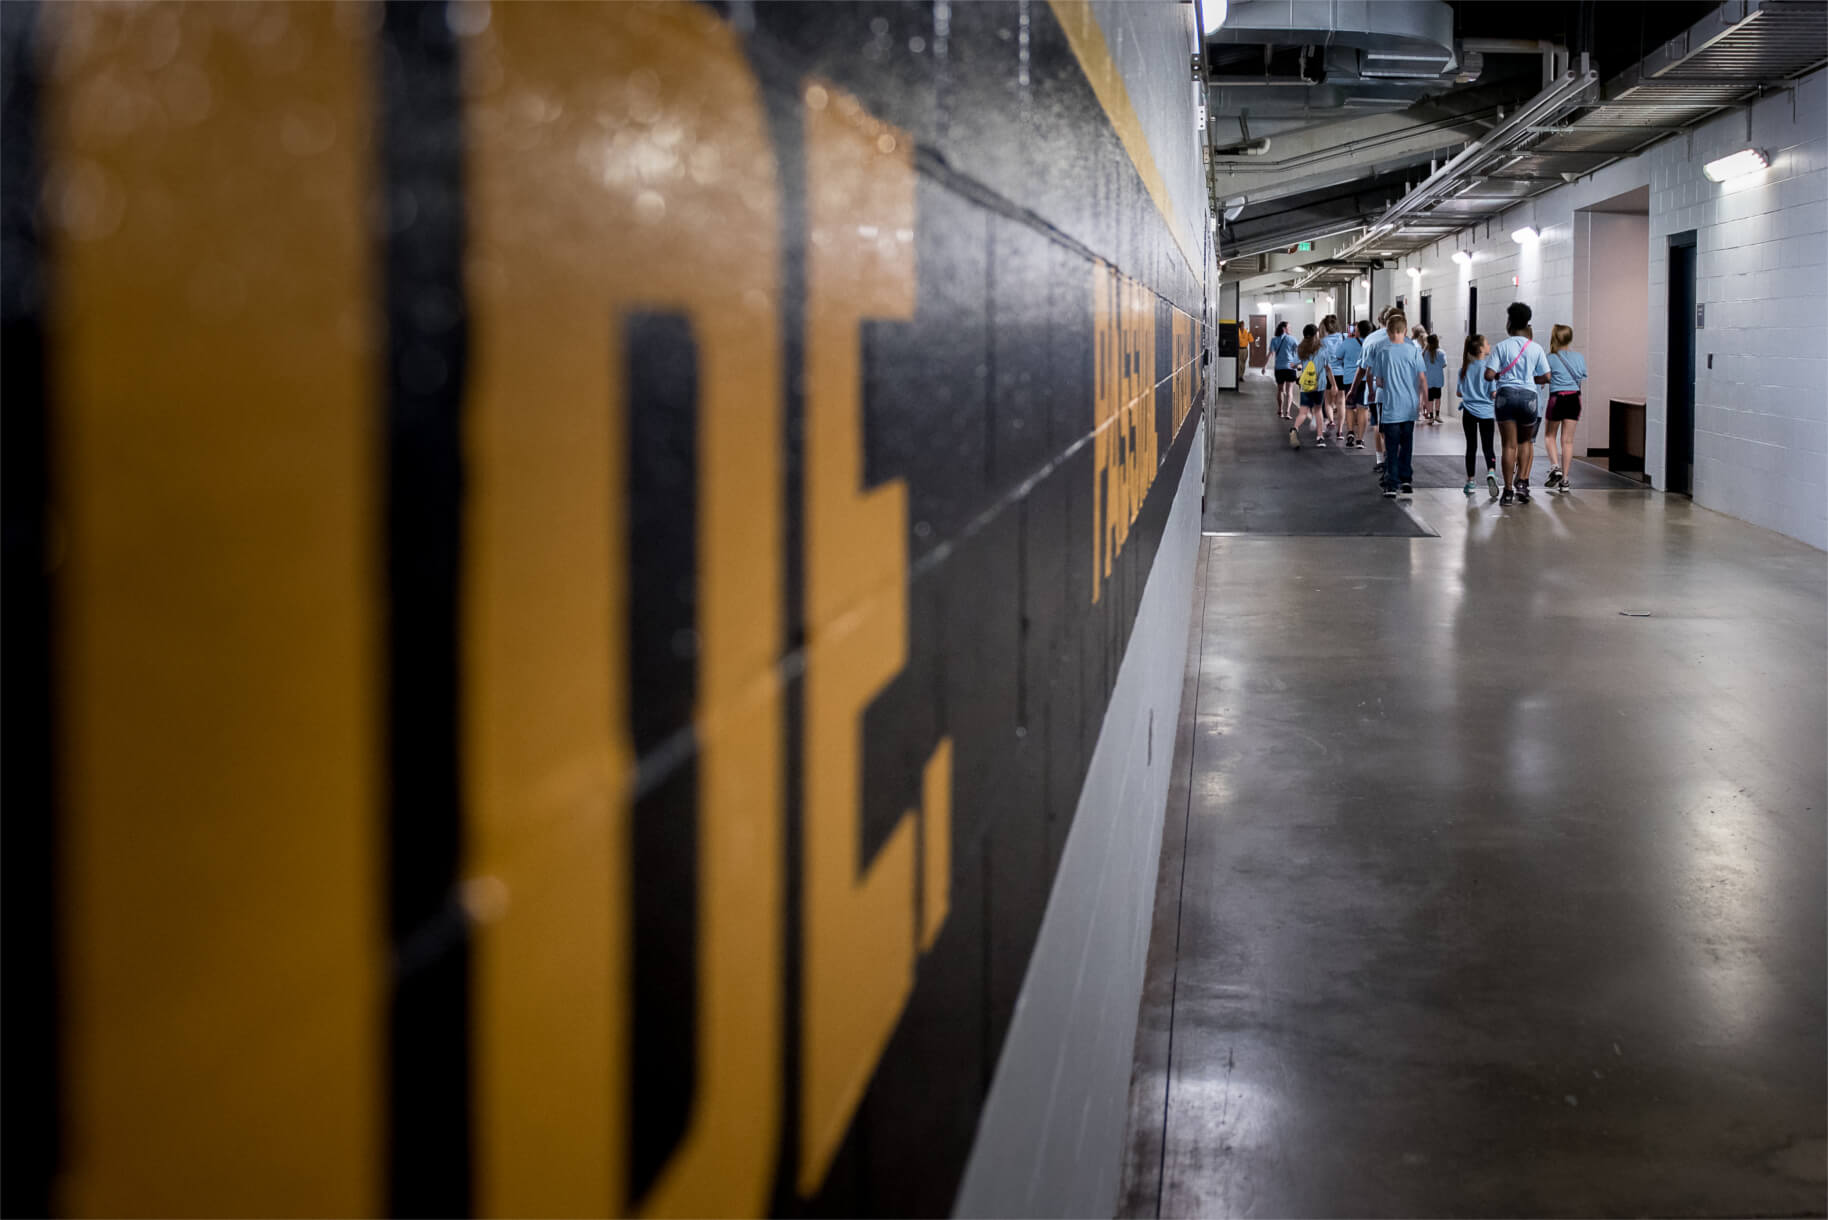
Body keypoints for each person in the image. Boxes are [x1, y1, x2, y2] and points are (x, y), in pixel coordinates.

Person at [1484, 301, 1551, 504]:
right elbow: (1547, 377)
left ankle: (1508, 490)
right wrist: (1530, 380)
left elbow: (1489, 374)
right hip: (1529, 398)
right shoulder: (1535, 348)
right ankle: (1522, 482)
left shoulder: (1501, 347)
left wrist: (1501, 378)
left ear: (1510, 323)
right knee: (1525, 442)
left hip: (1505, 397)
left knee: (1508, 446)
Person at [1368, 311, 1428, 498]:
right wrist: (1424, 401)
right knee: (1407, 444)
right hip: (1410, 407)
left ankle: (1391, 484)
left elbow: (1378, 381)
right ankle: (1406, 480)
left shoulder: (1383, 353)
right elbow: (1422, 379)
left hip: (1391, 407)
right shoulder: (1414, 351)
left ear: (1388, 331)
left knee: (1392, 446)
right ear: (1404, 331)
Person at [1543, 324, 1588, 492]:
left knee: (1549, 436)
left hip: (1557, 398)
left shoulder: (1550, 357)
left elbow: (1545, 376)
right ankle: (1565, 480)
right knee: (1568, 440)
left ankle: (1555, 467)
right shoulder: (1579, 357)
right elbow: (1582, 376)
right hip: (1574, 399)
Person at [1458, 333, 1500, 499]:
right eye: (1487, 343)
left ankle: (1470, 482)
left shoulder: (1464, 368)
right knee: (1488, 446)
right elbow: (1493, 393)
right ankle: (1491, 472)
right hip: (1487, 413)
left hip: (1468, 411)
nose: (1490, 346)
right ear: (1481, 349)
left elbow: (1459, 392)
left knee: (1471, 447)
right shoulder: (1489, 369)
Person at [1353, 309, 1393, 480]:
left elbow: (1364, 369)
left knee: (1379, 427)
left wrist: (1353, 389)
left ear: (1379, 319)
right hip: (1400, 394)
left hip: (1376, 393)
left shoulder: (1371, 339)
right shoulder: (1406, 342)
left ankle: (1381, 460)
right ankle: (1394, 462)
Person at [1289, 324, 1329, 449]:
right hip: (1320, 384)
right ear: (1316, 334)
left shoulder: (1301, 348)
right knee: (1317, 410)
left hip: (1306, 384)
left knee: (1303, 412)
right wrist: (1333, 384)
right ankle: (1320, 437)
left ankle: (1294, 429)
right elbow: (1327, 366)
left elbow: (1292, 365)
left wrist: (1300, 366)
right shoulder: (1322, 347)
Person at [1334, 320, 1366, 447]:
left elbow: (1338, 355)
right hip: (1364, 379)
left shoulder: (1347, 342)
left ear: (1357, 331)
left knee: (1349, 407)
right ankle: (1360, 439)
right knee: (1362, 409)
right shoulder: (1370, 343)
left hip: (1349, 379)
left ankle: (1351, 431)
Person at [1269, 321, 1299, 417]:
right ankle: (1288, 412)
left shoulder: (1274, 340)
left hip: (1279, 368)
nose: (1290, 329)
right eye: (1288, 327)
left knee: (1280, 390)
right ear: (1284, 329)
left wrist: (1265, 366)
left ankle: (1280, 410)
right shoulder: (1293, 339)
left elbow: (1271, 353)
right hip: (1291, 367)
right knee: (1289, 390)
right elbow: (1299, 352)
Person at [1422, 333, 1447, 425]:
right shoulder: (1441, 352)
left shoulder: (1424, 353)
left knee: (1430, 399)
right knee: (1438, 398)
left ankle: (1431, 417)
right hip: (1438, 379)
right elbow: (1444, 364)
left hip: (1428, 379)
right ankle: (1437, 415)